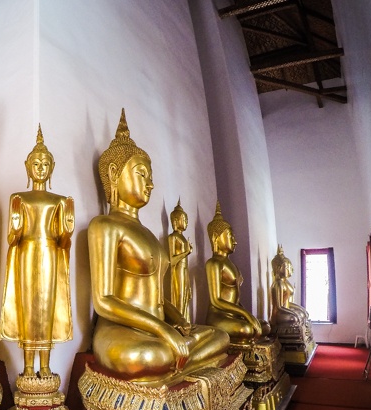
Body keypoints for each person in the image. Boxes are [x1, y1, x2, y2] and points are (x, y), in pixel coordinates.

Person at [87, 110, 229, 383]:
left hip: (159, 327)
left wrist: (178, 321)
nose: (150, 184)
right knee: (146, 356)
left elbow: (159, 299)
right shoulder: (105, 226)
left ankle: (178, 359)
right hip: (121, 330)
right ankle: (177, 360)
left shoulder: (150, 234)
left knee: (220, 336)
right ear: (115, 173)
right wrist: (163, 331)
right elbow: (103, 301)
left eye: (150, 176)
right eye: (142, 174)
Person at [0, 124, 74, 378]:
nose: (40, 168)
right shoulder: (18, 198)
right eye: (36, 163)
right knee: (29, 309)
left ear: (51, 168)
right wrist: (17, 229)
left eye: (45, 164)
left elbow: (63, 242)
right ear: (27, 166)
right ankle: (28, 367)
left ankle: (45, 366)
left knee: (47, 308)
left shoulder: (59, 201)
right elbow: (11, 238)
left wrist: (67, 232)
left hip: (51, 255)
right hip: (26, 254)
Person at [205, 201, 263, 344]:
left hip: (234, 314)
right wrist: (245, 314)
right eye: (231, 236)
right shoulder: (214, 263)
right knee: (246, 330)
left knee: (264, 326)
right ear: (216, 238)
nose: (235, 241)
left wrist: (247, 314)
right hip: (219, 316)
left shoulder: (232, 265)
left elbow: (235, 299)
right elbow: (216, 300)